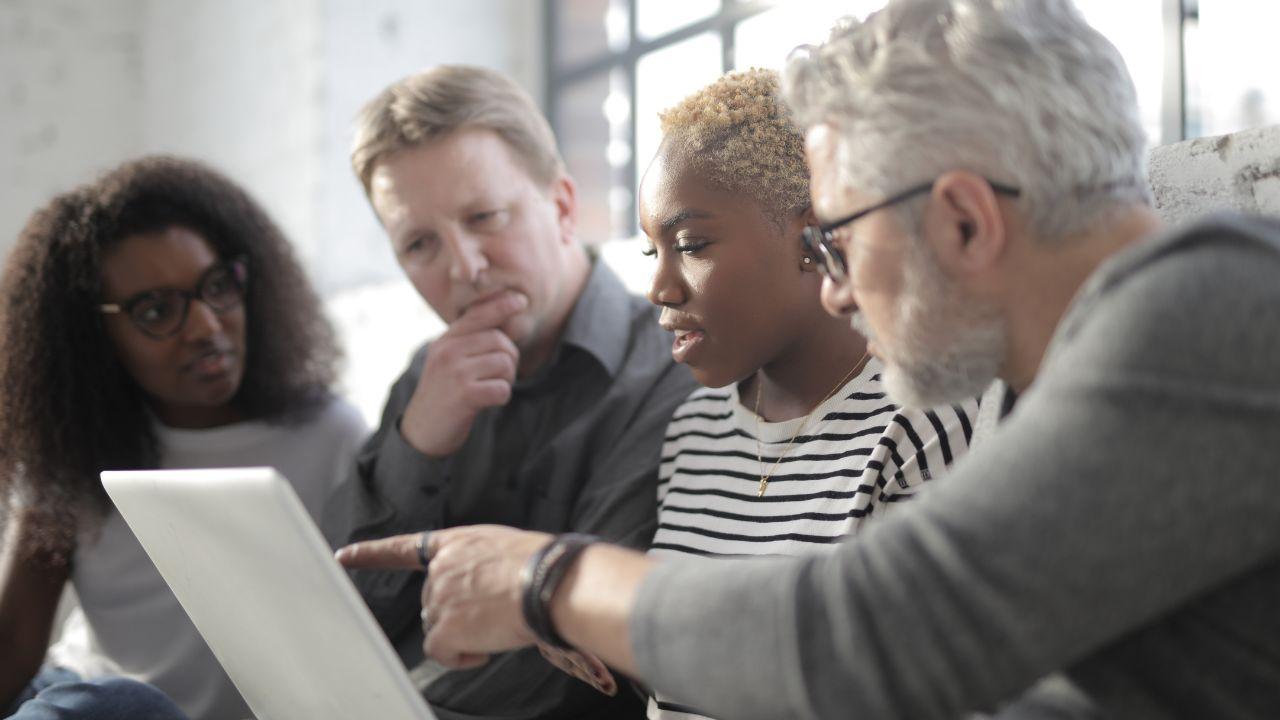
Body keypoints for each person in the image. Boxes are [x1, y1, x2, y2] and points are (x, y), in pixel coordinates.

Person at [337, 1, 1280, 718]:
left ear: (961, 218)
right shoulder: (1082, 375)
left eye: (837, 239)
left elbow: (874, 629)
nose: (834, 291)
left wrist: (543, 580)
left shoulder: (1200, 314)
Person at [320, 65, 695, 720]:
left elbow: (584, 662)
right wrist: (417, 446)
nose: (463, 266)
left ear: (563, 206)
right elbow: (339, 615)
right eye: (419, 243)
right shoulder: (423, 379)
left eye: (485, 217)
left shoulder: (673, 367)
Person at [623, 67, 974, 719]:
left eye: (691, 245)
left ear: (813, 238)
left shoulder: (924, 419)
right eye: (654, 253)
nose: (661, 288)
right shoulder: (691, 431)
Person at [0, 156, 368, 720]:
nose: (206, 327)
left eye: (217, 286)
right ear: (91, 338)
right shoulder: (73, 448)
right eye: (156, 310)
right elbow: (12, 649)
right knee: (115, 701)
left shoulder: (329, 437)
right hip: (85, 703)